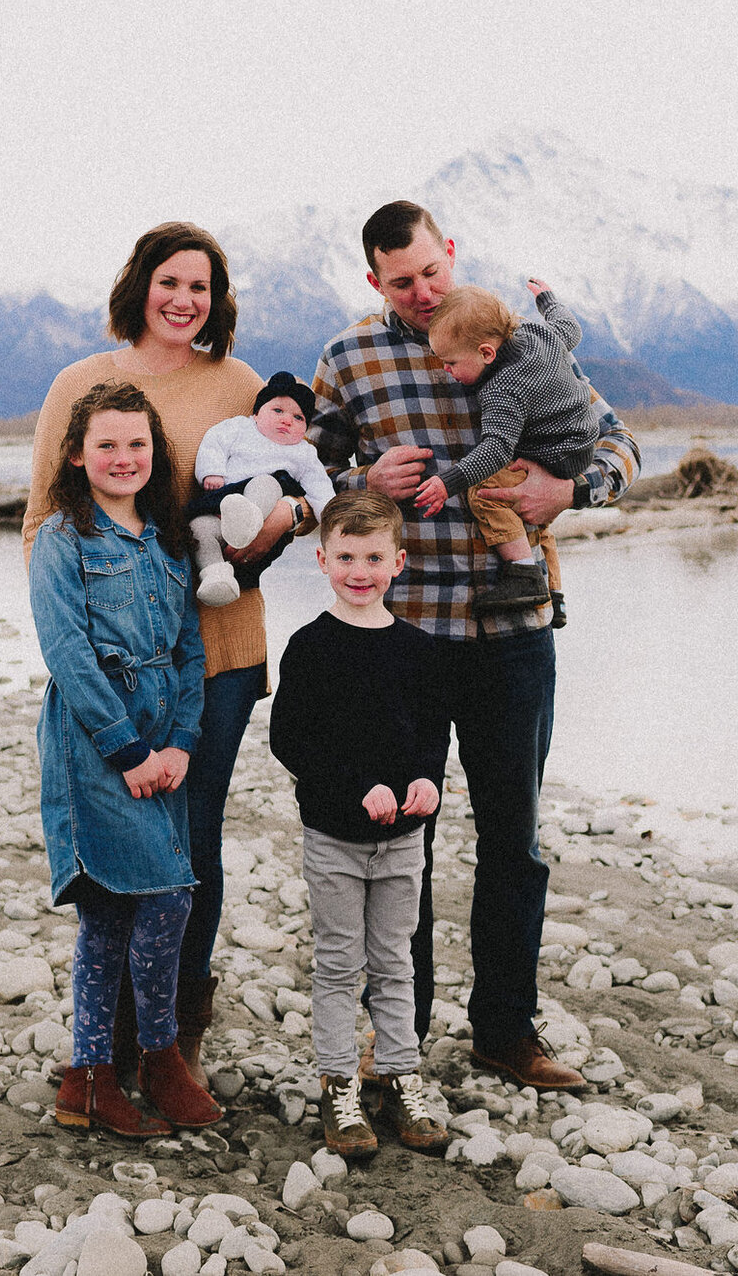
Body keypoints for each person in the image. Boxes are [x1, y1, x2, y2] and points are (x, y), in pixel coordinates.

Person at [308, 201, 640, 1092]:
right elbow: (302, 474)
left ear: (449, 253)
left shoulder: (518, 335)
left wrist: (573, 491)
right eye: (401, 281)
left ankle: (505, 1030)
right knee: (399, 836)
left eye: (430, 271)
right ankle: (398, 1036)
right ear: (373, 282)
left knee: (514, 841)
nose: (422, 293)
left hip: (512, 632)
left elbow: (618, 441)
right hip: (398, 637)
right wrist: (357, 479)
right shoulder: (349, 359)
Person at [25, 222, 309, 1077]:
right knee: (118, 838)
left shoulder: (243, 384)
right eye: (170, 281)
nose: (186, 300)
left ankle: (178, 1028)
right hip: (113, 668)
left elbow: (292, 495)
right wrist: (73, 650)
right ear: (139, 285)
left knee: (191, 838)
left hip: (218, 646)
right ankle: (106, 1044)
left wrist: (281, 523)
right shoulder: (81, 383)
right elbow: (43, 517)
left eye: (203, 286)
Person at [28, 381, 222, 1134]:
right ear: (76, 455)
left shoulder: (169, 542)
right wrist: (130, 749)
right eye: (106, 443)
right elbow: (67, 653)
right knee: (157, 895)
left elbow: (187, 649)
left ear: (155, 453)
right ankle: (159, 1058)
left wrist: (179, 742)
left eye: (136, 443)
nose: (123, 456)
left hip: (161, 743)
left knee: (117, 912)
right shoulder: (61, 540)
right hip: (95, 743)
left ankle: (88, 1079)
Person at [269, 490, 454, 1160]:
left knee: (396, 959)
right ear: (321, 559)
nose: (360, 569)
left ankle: (402, 1073)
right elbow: (290, 737)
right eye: (346, 555)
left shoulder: (417, 649)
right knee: (341, 961)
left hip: (405, 839)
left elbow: (433, 729)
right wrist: (358, 786)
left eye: (374, 556)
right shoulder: (311, 647)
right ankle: (338, 1081)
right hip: (335, 838)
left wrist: (428, 778)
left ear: (397, 561)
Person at [413, 282, 601, 612]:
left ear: (486, 353)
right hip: (583, 440)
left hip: (554, 451)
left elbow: (497, 448)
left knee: (486, 494)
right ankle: (555, 594)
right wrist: (547, 300)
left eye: (452, 362)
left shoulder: (502, 388)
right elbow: (570, 328)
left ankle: (525, 575)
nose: (446, 370)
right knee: (537, 520)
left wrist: (448, 482)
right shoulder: (537, 334)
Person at [187, 371, 334, 607]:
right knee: (198, 528)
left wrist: (330, 516)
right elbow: (214, 442)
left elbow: (319, 485)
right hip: (221, 508)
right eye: (278, 411)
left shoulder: (303, 452)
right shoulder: (239, 428)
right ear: (256, 413)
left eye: (298, 418)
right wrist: (212, 471)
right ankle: (216, 575)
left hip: (263, 521)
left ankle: (247, 518)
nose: (287, 420)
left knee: (265, 483)